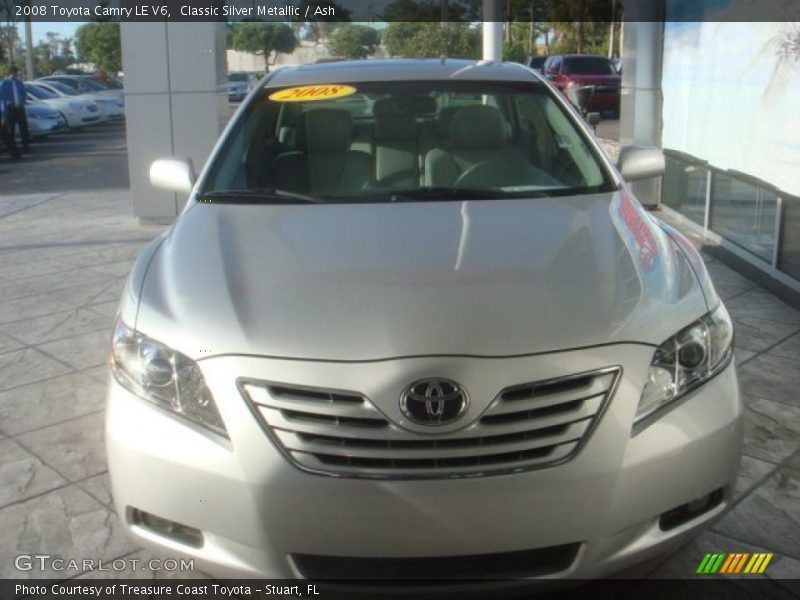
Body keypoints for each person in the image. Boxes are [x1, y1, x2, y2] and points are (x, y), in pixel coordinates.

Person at [1, 65, 30, 153]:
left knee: (23, 127)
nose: (16, 74)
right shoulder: (4, 83)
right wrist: (8, 102)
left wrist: (23, 100)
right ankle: (12, 147)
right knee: (11, 128)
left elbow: (24, 93)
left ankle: (25, 145)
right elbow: (2, 95)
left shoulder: (19, 82)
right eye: (14, 72)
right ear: (10, 73)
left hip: (20, 108)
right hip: (10, 109)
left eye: (16, 73)